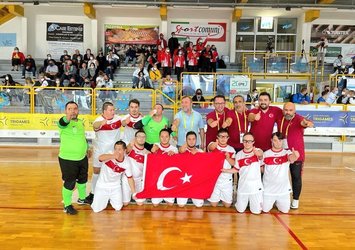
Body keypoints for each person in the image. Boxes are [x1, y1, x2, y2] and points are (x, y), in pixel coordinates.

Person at [277, 102, 314, 209]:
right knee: (280, 176)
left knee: (296, 177)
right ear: (283, 110)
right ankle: (280, 197)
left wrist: (307, 123)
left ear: (294, 110)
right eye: (286, 110)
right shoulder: (281, 117)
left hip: (296, 154)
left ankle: (295, 199)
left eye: (290, 110)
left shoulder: (298, 118)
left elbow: (304, 122)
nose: (288, 112)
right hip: (282, 153)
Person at [57, 101, 91, 215]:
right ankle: (67, 205)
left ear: (78, 110)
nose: (72, 111)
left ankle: (82, 199)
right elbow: (63, 121)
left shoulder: (80, 122)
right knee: (70, 182)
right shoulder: (63, 122)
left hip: (82, 157)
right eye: (69, 109)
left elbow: (82, 137)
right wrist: (67, 117)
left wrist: (87, 148)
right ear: (65, 111)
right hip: (68, 159)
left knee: (83, 179)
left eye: (75, 109)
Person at [86, 102, 122, 203]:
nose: (113, 112)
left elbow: (126, 121)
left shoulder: (118, 118)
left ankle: (112, 194)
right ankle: (93, 193)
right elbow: (95, 126)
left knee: (114, 171)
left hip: (113, 151)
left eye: (113, 110)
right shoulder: (99, 120)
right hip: (100, 150)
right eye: (110, 110)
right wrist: (101, 123)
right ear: (104, 111)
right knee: (97, 171)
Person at [222, 132, 263, 214]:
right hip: (243, 187)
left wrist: (258, 154)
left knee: (256, 212)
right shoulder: (239, 154)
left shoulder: (257, 151)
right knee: (240, 210)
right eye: (245, 141)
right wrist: (224, 170)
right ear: (242, 141)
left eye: (249, 141)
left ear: (253, 142)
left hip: (255, 188)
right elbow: (236, 169)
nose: (247, 143)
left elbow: (261, 155)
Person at [91, 141, 137, 213]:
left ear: (124, 150)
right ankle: (104, 200)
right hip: (102, 186)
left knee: (118, 208)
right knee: (96, 210)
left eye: (119, 149)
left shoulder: (127, 162)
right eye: (115, 149)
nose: (116, 151)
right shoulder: (110, 154)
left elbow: (130, 178)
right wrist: (113, 156)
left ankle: (108, 199)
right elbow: (100, 158)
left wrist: (134, 193)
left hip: (115, 187)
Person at [262, 132, 300, 214]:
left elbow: (292, 158)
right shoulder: (265, 154)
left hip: (283, 191)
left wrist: (296, 156)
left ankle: (277, 202)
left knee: (285, 211)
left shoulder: (287, 153)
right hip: (268, 190)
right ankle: (273, 201)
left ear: (283, 141)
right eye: (275, 140)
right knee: (264, 210)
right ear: (271, 140)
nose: (278, 143)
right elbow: (261, 169)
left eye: (280, 140)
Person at [207, 128, 236, 208]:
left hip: (226, 179)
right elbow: (211, 148)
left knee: (227, 205)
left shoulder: (231, 149)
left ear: (228, 138)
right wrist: (216, 143)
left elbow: (234, 164)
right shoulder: (213, 144)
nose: (223, 138)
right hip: (214, 179)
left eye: (225, 137)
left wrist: (228, 158)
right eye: (221, 136)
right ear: (217, 137)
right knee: (213, 204)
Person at [150, 128, 178, 206]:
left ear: (169, 137)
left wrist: (174, 155)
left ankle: (165, 196)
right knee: (155, 204)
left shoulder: (174, 149)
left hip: (168, 179)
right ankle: (159, 196)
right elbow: (150, 156)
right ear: (159, 137)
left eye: (166, 136)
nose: (164, 138)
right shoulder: (155, 145)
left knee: (170, 204)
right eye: (162, 136)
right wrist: (153, 151)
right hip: (157, 178)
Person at [176, 131, 204, 207]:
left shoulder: (201, 152)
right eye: (189, 139)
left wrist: (197, 154)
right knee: (181, 205)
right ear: (186, 140)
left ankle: (193, 196)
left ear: (196, 140)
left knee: (199, 205)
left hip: (195, 182)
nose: (191, 141)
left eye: (193, 139)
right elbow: (181, 150)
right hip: (183, 181)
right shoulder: (181, 150)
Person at [123, 130, 149, 206]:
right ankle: (129, 195)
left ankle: (133, 194)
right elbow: (126, 149)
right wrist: (131, 143)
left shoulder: (147, 153)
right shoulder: (129, 148)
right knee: (125, 203)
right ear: (135, 138)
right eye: (139, 137)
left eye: (143, 137)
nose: (141, 138)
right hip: (127, 179)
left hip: (139, 180)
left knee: (140, 203)